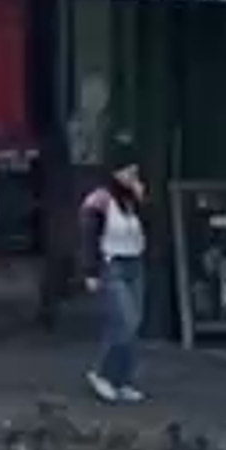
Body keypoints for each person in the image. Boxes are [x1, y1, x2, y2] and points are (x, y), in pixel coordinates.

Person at [81, 162, 152, 405]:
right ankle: (102, 373)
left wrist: (143, 201)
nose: (132, 176)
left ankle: (122, 379)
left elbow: (149, 229)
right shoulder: (100, 199)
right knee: (125, 319)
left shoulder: (132, 201)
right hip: (112, 264)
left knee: (132, 324)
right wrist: (90, 271)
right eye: (127, 172)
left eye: (135, 171)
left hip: (135, 263)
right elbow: (89, 234)